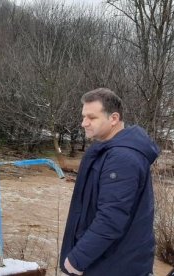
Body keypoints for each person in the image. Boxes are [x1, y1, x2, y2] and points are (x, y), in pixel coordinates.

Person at [60, 88, 159, 276]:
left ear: (113, 118)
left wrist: (77, 260)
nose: (84, 123)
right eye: (83, 117)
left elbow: (111, 218)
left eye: (92, 117)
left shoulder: (122, 158)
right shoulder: (108, 151)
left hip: (115, 265)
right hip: (107, 262)